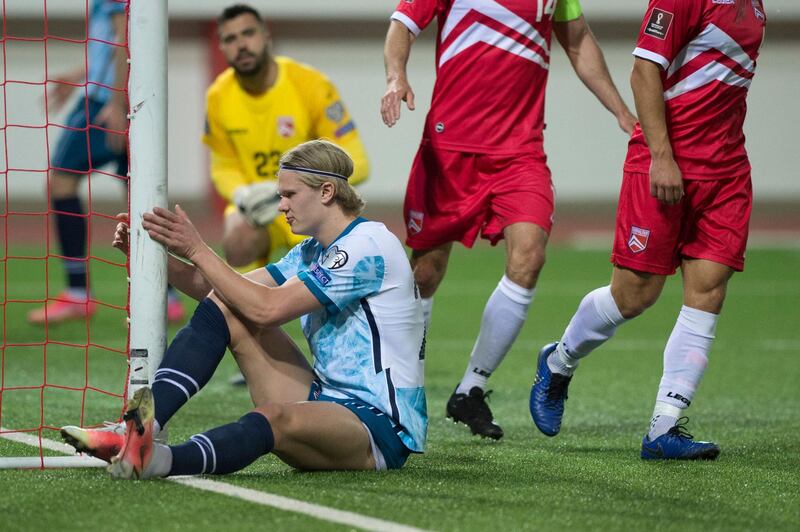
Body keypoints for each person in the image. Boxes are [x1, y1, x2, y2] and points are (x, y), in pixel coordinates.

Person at [61, 140, 427, 478]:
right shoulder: (313, 249)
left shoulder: (367, 246)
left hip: (376, 427)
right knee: (227, 303)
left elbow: (268, 310)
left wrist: (198, 249)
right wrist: (154, 261)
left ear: (327, 192)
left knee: (274, 417)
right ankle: (139, 429)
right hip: (324, 398)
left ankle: (158, 461)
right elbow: (222, 290)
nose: (281, 205)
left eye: (289, 194)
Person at [381, 0, 636, 439]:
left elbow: (577, 41)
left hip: (521, 153)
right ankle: (405, 391)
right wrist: (396, 75)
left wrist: (621, 110)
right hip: (450, 148)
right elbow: (402, 25)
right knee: (425, 271)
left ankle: (470, 390)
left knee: (530, 258)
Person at [529, 0, 766, 460]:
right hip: (664, 161)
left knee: (708, 292)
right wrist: (661, 155)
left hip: (726, 171)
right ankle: (558, 362)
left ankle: (664, 427)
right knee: (635, 294)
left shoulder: (755, 7)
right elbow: (644, 71)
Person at [28, 0, 185, 325]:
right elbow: (117, 43)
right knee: (137, 190)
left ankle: (77, 293)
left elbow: (122, 39)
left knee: (61, 182)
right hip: (130, 96)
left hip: (103, 101)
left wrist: (115, 102)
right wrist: (77, 75)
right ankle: (167, 294)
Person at [205, 4, 370, 274]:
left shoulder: (310, 84)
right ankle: (249, 312)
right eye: (230, 39)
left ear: (266, 36)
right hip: (258, 208)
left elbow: (358, 161)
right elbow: (222, 165)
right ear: (221, 47)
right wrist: (242, 194)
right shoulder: (218, 95)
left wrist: (294, 187)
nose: (241, 45)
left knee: (327, 289)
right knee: (237, 242)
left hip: (314, 203)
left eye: (248, 33)